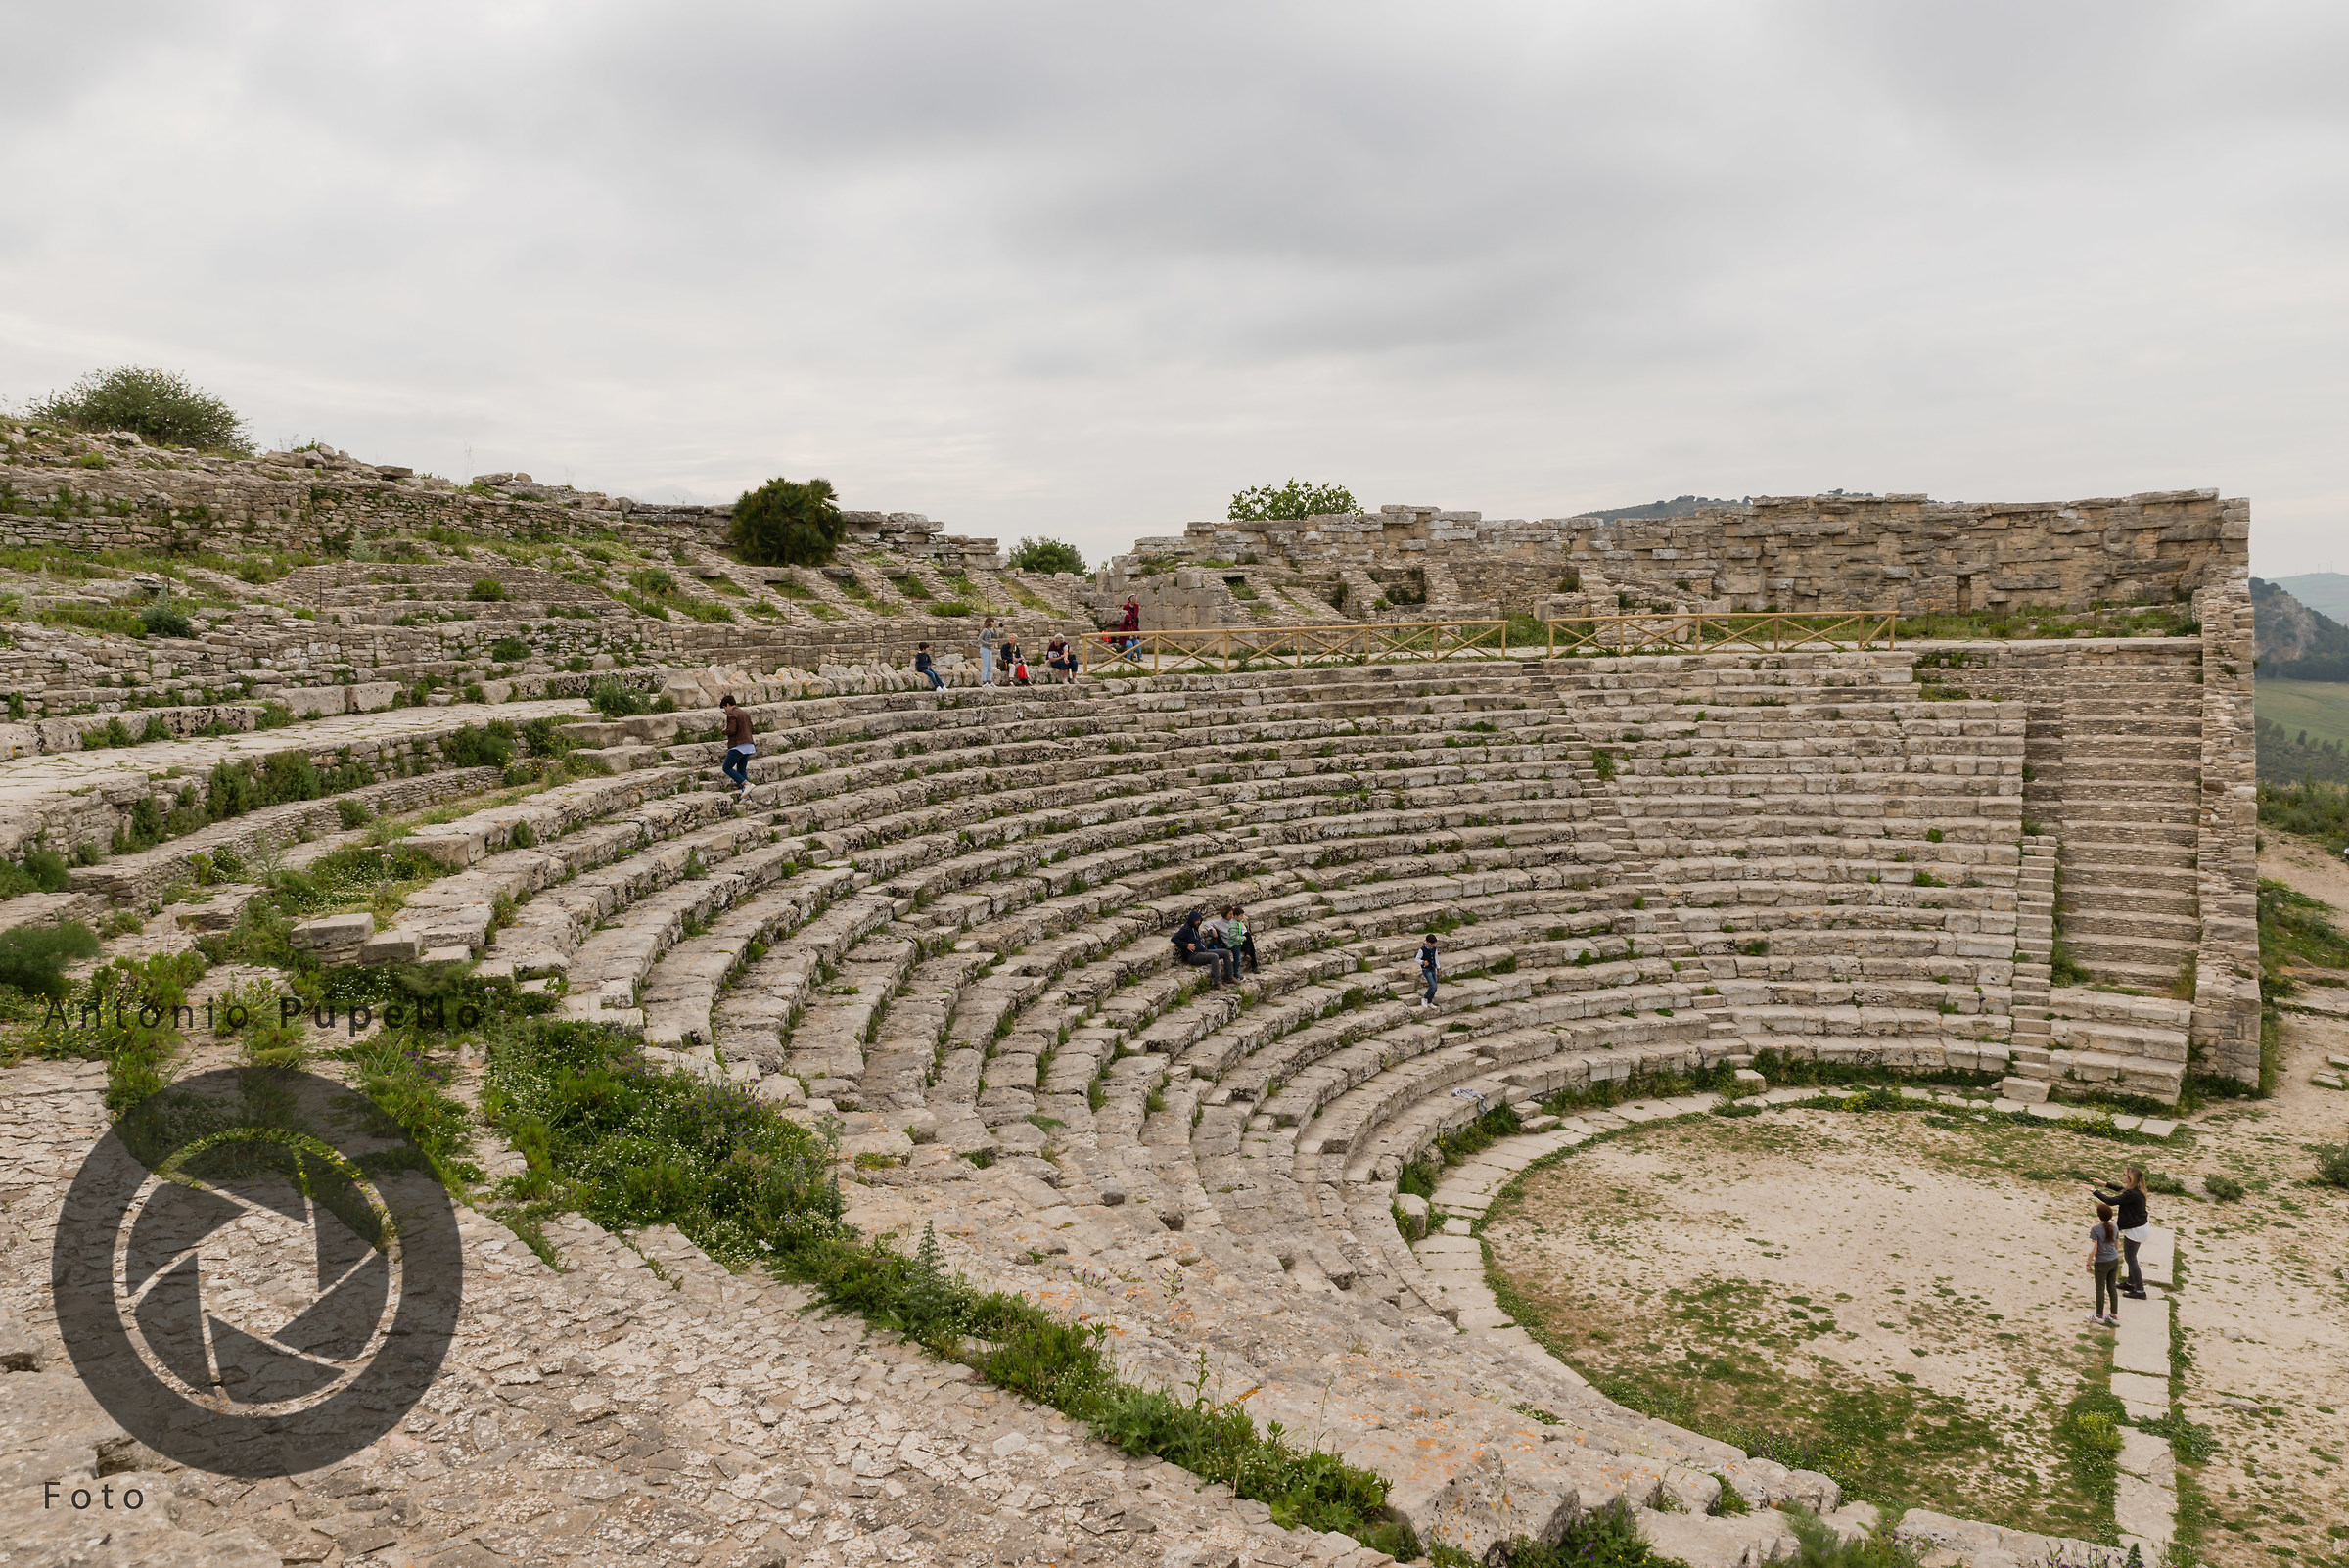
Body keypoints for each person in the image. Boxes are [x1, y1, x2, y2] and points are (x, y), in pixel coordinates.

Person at [2090, 1168, 2152, 1300]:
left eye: (2124, 1174)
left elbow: (2110, 1201)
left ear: (2130, 1178)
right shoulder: (2136, 1190)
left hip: (2136, 1230)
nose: (2122, 1176)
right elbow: (2121, 1191)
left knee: (2130, 1259)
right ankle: (2130, 1283)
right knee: (2131, 1257)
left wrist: (2093, 1190)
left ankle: (2140, 1291)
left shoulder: (2132, 1194)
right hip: (2140, 1227)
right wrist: (2105, 1184)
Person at [1173, 908, 1236, 986]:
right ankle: (1216, 982)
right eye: (1197, 921)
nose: (1199, 922)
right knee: (1214, 957)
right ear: (1192, 920)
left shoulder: (1195, 928)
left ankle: (1230, 976)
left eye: (1199, 920)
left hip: (1203, 951)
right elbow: (1174, 938)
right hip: (1194, 955)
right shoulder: (1186, 929)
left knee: (1225, 952)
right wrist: (1186, 945)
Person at [2088, 1203, 2124, 1326]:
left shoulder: (2095, 1230)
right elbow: (2117, 1245)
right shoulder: (2115, 1227)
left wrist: (2088, 1263)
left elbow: (2094, 1249)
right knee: (2112, 1287)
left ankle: (2099, 1315)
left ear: (2099, 1215)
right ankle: (2113, 1315)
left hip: (2102, 1262)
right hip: (2114, 1260)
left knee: (2100, 1288)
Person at [718, 695, 755, 795]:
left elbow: (732, 730)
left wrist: (724, 731)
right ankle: (747, 797)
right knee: (741, 770)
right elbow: (752, 729)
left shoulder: (732, 714)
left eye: (725, 708)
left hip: (739, 746)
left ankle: (746, 784)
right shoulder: (744, 713)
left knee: (726, 767)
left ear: (728, 704)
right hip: (749, 745)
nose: (726, 710)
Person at [1222, 904, 1259, 973]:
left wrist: (1243, 937)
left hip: (1239, 940)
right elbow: (1207, 924)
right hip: (1233, 943)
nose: (1231, 916)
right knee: (1238, 958)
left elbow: (1244, 930)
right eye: (1230, 914)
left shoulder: (1237, 922)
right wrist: (1212, 929)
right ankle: (1253, 964)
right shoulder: (1222, 922)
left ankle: (1248, 955)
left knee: (1248, 937)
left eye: (1232, 914)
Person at [1416, 933, 1440, 1008]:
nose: (1433, 945)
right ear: (1427, 942)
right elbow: (1416, 959)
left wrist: (1438, 967)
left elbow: (1436, 958)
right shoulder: (1422, 950)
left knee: (1435, 987)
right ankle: (1425, 998)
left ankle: (1429, 1001)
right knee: (1432, 986)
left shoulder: (1434, 949)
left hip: (1433, 969)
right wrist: (1423, 962)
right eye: (1431, 943)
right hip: (1426, 970)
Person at [979, 618, 1002, 686]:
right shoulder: (985, 630)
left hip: (989, 649)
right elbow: (979, 639)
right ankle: (984, 681)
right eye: (993, 622)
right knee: (985, 666)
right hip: (985, 649)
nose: (994, 623)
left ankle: (989, 681)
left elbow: (996, 636)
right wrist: (988, 644)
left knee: (989, 666)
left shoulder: (989, 631)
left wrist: (994, 628)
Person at [1117, 596, 1141, 660]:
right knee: (1130, 644)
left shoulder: (1134, 624)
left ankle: (1140, 657)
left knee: (1138, 643)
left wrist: (1136, 635)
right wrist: (1128, 637)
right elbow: (1121, 634)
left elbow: (1138, 631)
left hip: (1133, 638)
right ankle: (1128, 658)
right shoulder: (1123, 625)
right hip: (1126, 639)